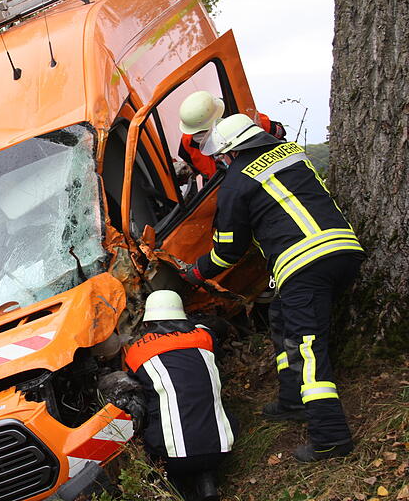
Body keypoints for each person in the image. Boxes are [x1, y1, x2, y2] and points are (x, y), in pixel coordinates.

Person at [180, 113, 365, 462]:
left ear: (228, 152)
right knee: (281, 317)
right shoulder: (290, 151)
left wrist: (197, 272)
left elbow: (229, 250)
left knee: (307, 346)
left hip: (303, 264)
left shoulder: (235, 182)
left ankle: (331, 437)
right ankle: (293, 400)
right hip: (343, 249)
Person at [100, 290, 236, 501]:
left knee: (150, 407)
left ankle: (176, 489)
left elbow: (134, 385)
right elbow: (209, 332)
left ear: (147, 323)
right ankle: (206, 482)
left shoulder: (137, 352)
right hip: (221, 447)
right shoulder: (205, 339)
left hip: (173, 457)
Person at [178, 90, 286, 178]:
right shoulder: (188, 141)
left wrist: (258, 131)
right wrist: (183, 171)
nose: (200, 135)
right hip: (225, 190)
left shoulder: (245, 120)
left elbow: (279, 132)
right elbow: (193, 167)